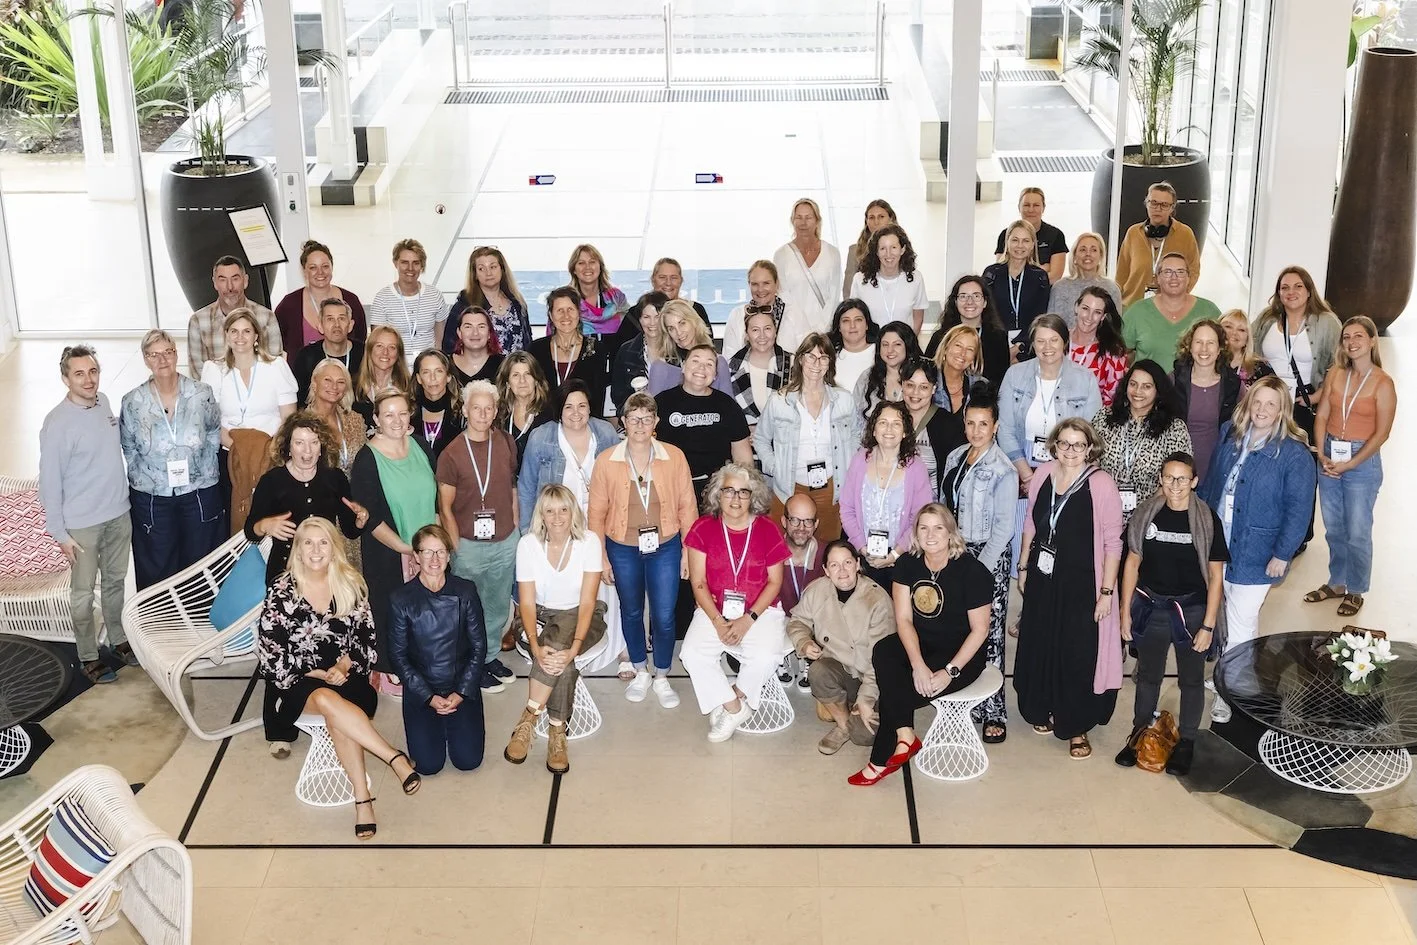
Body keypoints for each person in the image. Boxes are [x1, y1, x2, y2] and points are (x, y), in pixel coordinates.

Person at [256, 517, 420, 840]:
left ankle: (364, 799)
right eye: (308, 543)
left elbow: (369, 641)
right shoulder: (281, 590)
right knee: (326, 699)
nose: (316, 550)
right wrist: (310, 671)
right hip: (297, 684)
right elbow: (269, 652)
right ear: (298, 551)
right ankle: (391, 759)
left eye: (323, 542)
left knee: (335, 711)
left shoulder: (351, 584)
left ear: (334, 549)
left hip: (349, 679)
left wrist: (345, 666)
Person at [847, 504, 993, 785]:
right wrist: (917, 665)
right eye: (923, 527)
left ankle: (881, 760)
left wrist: (949, 671)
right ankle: (905, 734)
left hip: (961, 654)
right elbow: (903, 620)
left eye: (938, 527)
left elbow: (980, 630)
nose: (930, 534)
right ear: (915, 533)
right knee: (884, 651)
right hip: (923, 643)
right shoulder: (907, 564)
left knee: (895, 692)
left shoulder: (972, 571)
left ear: (951, 532)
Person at [1198, 376, 1315, 723]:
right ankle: (1226, 672)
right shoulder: (1230, 437)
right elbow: (1212, 485)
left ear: (1282, 412)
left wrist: (1283, 553)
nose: (1262, 410)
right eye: (1257, 402)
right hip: (1220, 545)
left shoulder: (1293, 455)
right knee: (1220, 612)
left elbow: (1299, 510)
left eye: (1271, 405)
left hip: (1257, 554)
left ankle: (1229, 691)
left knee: (1242, 623)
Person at [1014, 418, 1124, 759]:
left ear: (1090, 448)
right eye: (1065, 443)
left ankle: (1077, 726)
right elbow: (1031, 522)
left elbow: (1112, 542)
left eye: (1079, 444)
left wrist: (1106, 593)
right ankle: (1044, 704)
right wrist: (1022, 566)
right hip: (1044, 577)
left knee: (1077, 652)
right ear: (1054, 445)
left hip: (1082, 584)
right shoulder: (1044, 474)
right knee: (1043, 643)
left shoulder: (1102, 484)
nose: (1071, 451)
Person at [1116, 453, 1227, 777]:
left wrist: (1208, 625)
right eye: (1168, 478)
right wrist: (1125, 614)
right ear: (1160, 480)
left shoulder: (1207, 520)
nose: (1175, 485)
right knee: (1148, 675)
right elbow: (1132, 564)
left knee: (1190, 679)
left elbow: (1216, 576)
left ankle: (1188, 740)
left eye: (1182, 479)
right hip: (1152, 608)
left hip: (1191, 611)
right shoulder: (1145, 514)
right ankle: (1139, 732)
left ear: (1194, 482)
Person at [588, 392, 697, 703]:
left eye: (646, 419)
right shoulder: (606, 461)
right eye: (633, 419)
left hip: (666, 545)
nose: (639, 424)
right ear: (623, 422)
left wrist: (688, 551)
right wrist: (602, 558)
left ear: (655, 423)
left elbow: (688, 507)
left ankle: (662, 674)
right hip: (621, 546)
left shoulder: (673, 457)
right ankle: (640, 670)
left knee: (664, 614)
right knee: (631, 611)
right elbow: (595, 514)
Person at [39, 345, 138, 684]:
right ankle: (87, 656)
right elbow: (49, 482)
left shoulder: (105, 403)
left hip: (117, 513)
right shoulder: (57, 424)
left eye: (92, 371)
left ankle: (117, 639)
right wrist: (59, 533)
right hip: (82, 525)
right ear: (66, 378)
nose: (88, 379)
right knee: (82, 594)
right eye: (79, 373)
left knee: (114, 584)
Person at [680, 463, 793, 743]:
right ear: (718, 494)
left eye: (744, 492)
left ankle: (735, 696)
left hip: (761, 610)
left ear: (752, 496)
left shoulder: (767, 529)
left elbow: (775, 582)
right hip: (714, 608)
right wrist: (718, 622)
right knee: (691, 654)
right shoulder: (702, 528)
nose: (736, 498)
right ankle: (734, 707)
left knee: (766, 656)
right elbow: (698, 583)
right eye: (729, 490)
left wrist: (747, 620)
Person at [504, 485, 609, 773]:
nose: (557, 517)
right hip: (537, 618)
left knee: (562, 647)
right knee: (559, 656)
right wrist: (536, 645)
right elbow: (525, 604)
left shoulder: (589, 542)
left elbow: (587, 602)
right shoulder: (528, 544)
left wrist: (576, 645)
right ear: (541, 514)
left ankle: (528, 717)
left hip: (582, 616)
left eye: (563, 509)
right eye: (549, 510)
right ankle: (556, 730)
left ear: (573, 511)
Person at [939, 382, 1018, 742]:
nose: (975, 430)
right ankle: (964, 699)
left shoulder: (1004, 469)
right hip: (955, 553)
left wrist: (978, 569)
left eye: (983, 424)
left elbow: (1004, 529)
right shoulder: (956, 457)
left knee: (990, 634)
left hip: (987, 560)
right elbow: (945, 507)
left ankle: (994, 709)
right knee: (959, 630)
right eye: (970, 423)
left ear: (995, 426)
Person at [349, 389, 439, 693]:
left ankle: (420, 660)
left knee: (425, 608)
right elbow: (370, 516)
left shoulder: (421, 447)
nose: (397, 420)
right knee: (391, 610)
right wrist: (405, 548)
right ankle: (389, 668)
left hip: (427, 547)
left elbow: (434, 497)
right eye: (388, 414)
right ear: (376, 419)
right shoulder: (367, 458)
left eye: (402, 413)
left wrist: (432, 544)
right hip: (389, 551)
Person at [120, 330, 224, 590]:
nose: (162, 360)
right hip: (153, 495)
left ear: (176, 354)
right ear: (145, 360)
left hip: (198, 489)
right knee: (157, 560)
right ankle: (160, 619)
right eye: (154, 355)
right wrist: (145, 476)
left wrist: (205, 463)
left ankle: (201, 615)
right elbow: (128, 445)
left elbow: (213, 430)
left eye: (167, 352)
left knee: (202, 557)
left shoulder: (201, 393)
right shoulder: (133, 401)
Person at [1307, 316, 1396, 618]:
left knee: (1357, 531)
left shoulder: (1383, 382)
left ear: (1372, 341)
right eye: (1346, 337)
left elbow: (1382, 433)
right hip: (1330, 453)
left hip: (1361, 460)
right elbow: (1320, 417)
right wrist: (1321, 453)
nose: (1352, 342)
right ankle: (1337, 582)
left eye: (1359, 336)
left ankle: (1356, 589)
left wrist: (1351, 463)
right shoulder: (1335, 373)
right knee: (1334, 528)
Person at [436, 380, 520, 694]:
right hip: (468, 545)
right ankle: (470, 665)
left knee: (497, 606)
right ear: (466, 410)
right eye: (476, 407)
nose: (482, 414)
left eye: (488, 408)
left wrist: (515, 527)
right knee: (468, 609)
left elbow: (511, 486)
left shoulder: (507, 443)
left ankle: (490, 657)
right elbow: (444, 506)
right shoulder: (452, 453)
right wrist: (456, 546)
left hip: (503, 541)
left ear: (496, 411)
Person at [388, 524, 486, 776]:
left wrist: (462, 692)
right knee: (428, 766)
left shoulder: (466, 591)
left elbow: (478, 648)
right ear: (416, 556)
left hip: (461, 687)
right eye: (428, 552)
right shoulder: (401, 598)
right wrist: (428, 697)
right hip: (423, 690)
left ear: (449, 555)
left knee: (468, 761)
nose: (435, 559)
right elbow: (398, 656)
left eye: (441, 552)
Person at [786, 539, 894, 754]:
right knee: (818, 671)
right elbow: (797, 620)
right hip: (842, 671)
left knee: (864, 736)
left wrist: (866, 699)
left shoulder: (877, 600)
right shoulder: (818, 591)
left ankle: (857, 708)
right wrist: (804, 642)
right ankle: (844, 725)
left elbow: (883, 661)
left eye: (847, 563)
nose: (842, 571)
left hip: (874, 678)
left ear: (857, 564)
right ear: (826, 570)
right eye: (834, 565)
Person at [200, 308, 299, 533]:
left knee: (274, 516)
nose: (240, 337)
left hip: (272, 455)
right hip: (231, 456)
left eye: (246, 331)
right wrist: (240, 449)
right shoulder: (214, 370)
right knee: (236, 517)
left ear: (256, 336)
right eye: (233, 331)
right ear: (226, 335)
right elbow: (210, 421)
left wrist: (267, 450)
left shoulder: (275, 367)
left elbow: (289, 418)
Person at [754, 333, 855, 543]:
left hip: (831, 489)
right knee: (783, 550)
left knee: (827, 549)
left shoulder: (844, 400)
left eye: (823, 357)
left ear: (830, 363)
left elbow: (857, 436)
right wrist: (776, 467)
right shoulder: (779, 401)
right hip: (789, 487)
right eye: (811, 356)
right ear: (800, 359)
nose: (817, 364)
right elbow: (761, 439)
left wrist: (848, 467)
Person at [246, 412, 366, 584]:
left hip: (327, 567)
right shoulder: (271, 481)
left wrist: (360, 522)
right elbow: (251, 531)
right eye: (299, 443)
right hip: (285, 570)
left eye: (314, 442)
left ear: (322, 447)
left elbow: (350, 530)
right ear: (288, 447)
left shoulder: (335, 478)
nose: (307, 451)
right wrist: (265, 525)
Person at [997, 315, 1103, 505]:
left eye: (1054, 340)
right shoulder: (1014, 375)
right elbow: (1005, 430)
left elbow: (1092, 433)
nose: (1047, 347)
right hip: (1019, 470)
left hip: (1069, 468)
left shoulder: (1085, 379)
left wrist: (1067, 475)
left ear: (1064, 341)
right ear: (1033, 344)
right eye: (1040, 341)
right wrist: (1029, 478)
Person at [841, 401, 934, 590]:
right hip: (863, 556)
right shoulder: (860, 459)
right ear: (874, 430)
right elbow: (847, 508)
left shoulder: (916, 468)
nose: (889, 429)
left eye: (896, 424)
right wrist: (862, 548)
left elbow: (919, 520)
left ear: (905, 431)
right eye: (883, 422)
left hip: (900, 559)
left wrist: (895, 555)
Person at [1251, 266, 1343, 443]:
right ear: (1279, 293)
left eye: (1298, 286)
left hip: (1304, 398)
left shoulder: (1326, 322)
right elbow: (1248, 348)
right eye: (1285, 287)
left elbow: (1341, 365)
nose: (1291, 292)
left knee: (1300, 452)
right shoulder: (1267, 318)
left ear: (1309, 291)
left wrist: (1317, 396)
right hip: (1269, 396)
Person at [1092, 360, 1193, 521]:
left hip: (1151, 516)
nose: (1138, 391)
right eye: (1133, 384)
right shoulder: (1105, 418)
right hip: (1101, 511)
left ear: (1158, 390)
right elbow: (1091, 462)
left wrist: (1146, 515)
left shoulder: (1174, 428)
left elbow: (1177, 478)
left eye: (1147, 386)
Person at [653, 344, 753, 503]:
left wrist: (744, 490)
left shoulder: (727, 405)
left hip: (716, 490)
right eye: (695, 361)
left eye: (709, 364)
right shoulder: (661, 403)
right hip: (672, 488)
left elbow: (742, 453)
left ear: (715, 375)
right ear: (684, 367)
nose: (701, 368)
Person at [518, 380, 620, 532]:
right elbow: (527, 488)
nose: (576, 413)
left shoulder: (606, 433)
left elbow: (619, 482)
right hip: (556, 529)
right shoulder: (541, 437)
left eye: (582, 406)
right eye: (568, 407)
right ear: (560, 411)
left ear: (589, 408)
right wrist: (527, 531)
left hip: (599, 527)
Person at [1121, 252, 1221, 373]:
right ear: (1157, 278)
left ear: (1189, 277)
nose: (1174, 277)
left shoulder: (1208, 311)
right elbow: (1122, 353)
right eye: (1167, 272)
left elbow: (1225, 350)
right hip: (1149, 389)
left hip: (1193, 389)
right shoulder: (1137, 311)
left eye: (1180, 272)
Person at [272, 240, 367, 366]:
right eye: (313, 268)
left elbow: (360, 339)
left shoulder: (351, 301)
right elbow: (276, 343)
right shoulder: (289, 305)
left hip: (348, 379)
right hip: (303, 381)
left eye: (325, 266)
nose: (320, 272)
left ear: (332, 267)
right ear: (304, 271)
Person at [186, 255, 282, 375]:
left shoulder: (266, 318)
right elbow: (199, 375)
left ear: (245, 281)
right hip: (215, 392)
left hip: (259, 391)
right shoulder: (198, 322)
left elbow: (275, 367)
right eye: (222, 280)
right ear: (215, 283)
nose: (229, 287)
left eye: (235, 279)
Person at [1172, 319, 1240, 485]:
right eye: (1198, 342)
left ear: (1219, 349)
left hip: (1217, 468)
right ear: (1189, 346)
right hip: (1178, 470)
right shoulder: (1173, 380)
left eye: (1210, 343)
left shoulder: (1233, 384)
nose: (1204, 349)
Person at [1114, 182, 1201, 306]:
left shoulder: (1185, 234)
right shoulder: (1133, 233)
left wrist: (1178, 295)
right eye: (1153, 203)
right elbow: (1121, 274)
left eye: (1164, 205)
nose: (1158, 209)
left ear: (1172, 208)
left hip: (1170, 307)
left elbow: (1193, 271)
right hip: (1132, 306)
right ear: (1146, 203)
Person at [529, 287, 610, 418]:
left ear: (579, 312)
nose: (565, 316)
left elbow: (598, 397)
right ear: (551, 315)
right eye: (559, 310)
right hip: (545, 423)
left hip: (583, 422)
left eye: (570, 309)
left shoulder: (596, 349)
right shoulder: (536, 349)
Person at [368, 239, 448, 367]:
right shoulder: (382, 298)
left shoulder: (434, 295)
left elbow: (439, 339)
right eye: (405, 262)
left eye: (416, 263)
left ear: (422, 265)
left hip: (427, 366)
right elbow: (378, 342)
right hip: (395, 367)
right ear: (395, 263)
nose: (410, 268)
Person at [443, 245, 532, 355]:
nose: (488, 273)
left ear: (502, 269)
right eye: (481, 269)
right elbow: (449, 346)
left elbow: (528, 342)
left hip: (516, 370)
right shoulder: (464, 306)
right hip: (480, 370)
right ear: (475, 274)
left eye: (493, 267)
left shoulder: (517, 302)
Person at [772, 197, 843, 335]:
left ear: (817, 221)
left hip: (824, 334)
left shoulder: (832, 253)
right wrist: (800, 331)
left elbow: (833, 296)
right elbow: (783, 296)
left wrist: (822, 331)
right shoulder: (781, 255)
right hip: (791, 333)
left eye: (808, 217)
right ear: (792, 221)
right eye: (799, 217)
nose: (803, 223)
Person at [925, 275, 1012, 385]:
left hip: (985, 399)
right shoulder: (941, 337)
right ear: (955, 302)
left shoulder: (998, 337)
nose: (969, 302)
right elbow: (927, 375)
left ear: (985, 302)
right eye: (963, 296)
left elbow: (1002, 379)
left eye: (976, 296)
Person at [983, 220, 1052, 357]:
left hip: (1028, 346)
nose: (1020, 246)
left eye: (1026, 241)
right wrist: (1003, 349)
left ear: (1033, 245)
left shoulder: (1040, 277)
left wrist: (1019, 346)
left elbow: (1039, 315)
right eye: (1015, 240)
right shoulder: (991, 274)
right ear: (1007, 243)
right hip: (994, 344)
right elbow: (986, 313)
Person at [849, 224, 928, 336]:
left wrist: (909, 345)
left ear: (902, 249)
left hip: (904, 347)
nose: (888, 254)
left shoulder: (915, 278)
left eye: (893, 247)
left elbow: (918, 317)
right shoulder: (860, 280)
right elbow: (855, 317)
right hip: (872, 347)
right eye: (883, 249)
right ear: (876, 252)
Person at [723, 260, 811, 358]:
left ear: (776, 284)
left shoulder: (794, 314)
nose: (760, 289)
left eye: (766, 283)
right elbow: (729, 359)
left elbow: (807, 354)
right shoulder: (737, 315)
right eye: (755, 284)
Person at [901, 358, 964, 490]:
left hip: (931, 506)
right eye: (910, 385)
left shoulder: (948, 425)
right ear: (902, 385)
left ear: (934, 388)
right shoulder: (890, 417)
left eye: (923, 387)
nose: (915, 393)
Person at [648, 299, 731, 396]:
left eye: (682, 323)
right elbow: (652, 408)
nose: (678, 332)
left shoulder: (719, 363)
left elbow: (730, 406)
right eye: (671, 328)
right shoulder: (661, 367)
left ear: (694, 321)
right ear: (668, 334)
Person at [852, 320, 921, 439]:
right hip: (873, 450)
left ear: (908, 346)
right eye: (885, 344)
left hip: (914, 450)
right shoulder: (867, 378)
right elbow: (855, 422)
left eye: (897, 344)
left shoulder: (920, 377)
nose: (890, 350)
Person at [728, 305, 792, 428]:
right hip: (746, 441)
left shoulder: (793, 363)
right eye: (755, 330)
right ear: (747, 334)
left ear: (775, 331)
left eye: (767, 328)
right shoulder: (731, 367)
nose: (762, 335)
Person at [292, 298, 364, 407]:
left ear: (350, 325)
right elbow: (300, 401)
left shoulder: (365, 354)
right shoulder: (306, 357)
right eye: (330, 319)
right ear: (320, 326)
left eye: (341, 318)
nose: (336, 325)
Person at [1066, 287, 1129, 407]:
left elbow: (1112, 400)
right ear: (1076, 308)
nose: (1089, 317)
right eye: (1085, 309)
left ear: (1103, 317)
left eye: (1097, 312)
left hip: (1091, 421)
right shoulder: (1058, 340)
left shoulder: (1113, 352)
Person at [610, 291, 670, 413]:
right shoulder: (626, 351)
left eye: (657, 317)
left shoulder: (679, 349)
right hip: (636, 420)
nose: (652, 323)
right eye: (646, 317)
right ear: (640, 319)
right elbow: (618, 396)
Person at [305, 360, 365, 478]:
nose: (334, 386)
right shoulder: (303, 424)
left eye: (341, 382)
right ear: (314, 383)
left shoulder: (355, 420)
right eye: (327, 380)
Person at [995, 187, 1069, 282]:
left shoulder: (1056, 235)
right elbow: (1000, 273)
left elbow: (1054, 277)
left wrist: (1020, 275)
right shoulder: (1006, 234)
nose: (1031, 210)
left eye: (1036, 205)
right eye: (1026, 205)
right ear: (1019, 207)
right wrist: (1042, 269)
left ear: (1043, 208)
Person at [495, 351, 553, 467]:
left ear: (536, 380)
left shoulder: (550, 413)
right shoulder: (499, 413)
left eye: (528, 374)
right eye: (515, 375)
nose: (522, 381)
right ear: (507, 383)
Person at [1048, 231, 1123, 320]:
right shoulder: (1060, 288)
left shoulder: (1112, 289)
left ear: (1101, 256)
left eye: (1093, 250)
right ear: (1075, 256)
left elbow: (1115, 328)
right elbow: (1051, 325)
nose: (1088, 254)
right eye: (1083, 250)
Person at [352, 326, 412, 434]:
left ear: (399, 353)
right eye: (379, 346)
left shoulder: (409, 387)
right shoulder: (353, 387)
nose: (385, 352)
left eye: (392, 347)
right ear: (369, 350)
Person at [778, 493, 826, 618]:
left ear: (816, 524)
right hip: (778, 624)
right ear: (784, 521)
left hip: (817, 626)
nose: (801, 527)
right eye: (794, 520)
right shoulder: (769, 555)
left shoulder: (828, 556)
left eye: (808, 521)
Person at [410, 351, 464, 461]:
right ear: (419, 378)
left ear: (448, 376)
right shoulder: (407, 412)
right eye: (426, 372)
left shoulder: (463, 413)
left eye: (439, 371)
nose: (432, 378)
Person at [569, 243, 630, 339]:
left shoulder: (617, 298)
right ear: (574, 270)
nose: (587, 267)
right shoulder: (566, 301)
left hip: (616, 352)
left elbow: (630, 330)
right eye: (581, 263)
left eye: (592, 262)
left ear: (600, 267)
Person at [841, 199, 897, 299]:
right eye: (871, 217)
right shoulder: (855, 251)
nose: (876, 222)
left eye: (881, 217)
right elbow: (848, 291)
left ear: (891, 218)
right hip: (865, 310)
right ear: (866, 221)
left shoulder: (901, 249)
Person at [828, 298, 878, 395]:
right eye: (846, 321)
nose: (852, 326)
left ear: (867, 324)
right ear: (839, 327)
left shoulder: (881, 352)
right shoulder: (829, 355)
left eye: (858, 320)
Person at [1219, 308, 1274, 393]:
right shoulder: (1205, 363)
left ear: (1247, 338)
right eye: (1228, 326)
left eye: (1241, 330)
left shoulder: (1261, 368)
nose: (1234, 333)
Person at [448, 305, 504, 388]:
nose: (475, 333)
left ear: (489, 333)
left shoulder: (503, 366)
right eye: (468, 327)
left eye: (481, 326)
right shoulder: (446, 365)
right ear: (459, 333)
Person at [648, 257, 712, 328]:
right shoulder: (636, 313)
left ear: (681, 281)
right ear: (653, 280)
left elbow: (706, 338)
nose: (668, 283)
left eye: (674, 277)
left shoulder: (696, 310)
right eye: (662, 277)